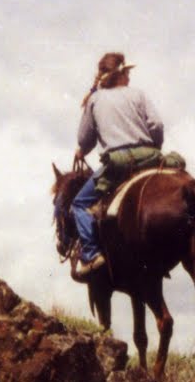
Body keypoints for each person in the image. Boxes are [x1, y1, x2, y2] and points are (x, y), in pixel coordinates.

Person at [70, 52, 165, 279]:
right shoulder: (138, 94)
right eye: (127, 73)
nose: (130, 77)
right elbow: (157, 124)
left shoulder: (95, 100)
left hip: (118, 163)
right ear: (121, 74)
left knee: (78, 205)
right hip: (150, 156)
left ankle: (92, 254)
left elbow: (85, 140)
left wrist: (81, 151)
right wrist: (154, 147)